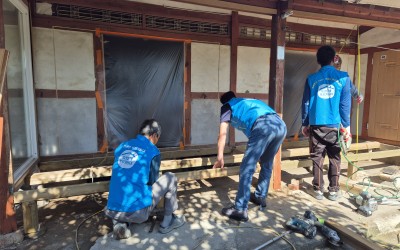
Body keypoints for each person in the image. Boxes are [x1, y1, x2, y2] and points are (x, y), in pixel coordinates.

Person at [104, 119, 185, 239]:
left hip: (112, 209)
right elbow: (152, 182)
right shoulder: (153, 151)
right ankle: (167, 222)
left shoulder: (122, 147)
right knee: (170, 177)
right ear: (153, 135)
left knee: (127, 185)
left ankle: (120, 223)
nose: (157, 141)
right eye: (158, 137)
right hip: (137, 212)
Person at [213, 91, 287, 221]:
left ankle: (240, 209)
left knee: (247, 168)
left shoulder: (227, 107)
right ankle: (260, 196)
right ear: (234, 97)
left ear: (225, 102)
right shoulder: (248, 102)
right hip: (280, 125)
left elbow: (222, 134)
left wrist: (220, 156)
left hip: (263, 126)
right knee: (267, 163)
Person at [301, 46, 352, 201]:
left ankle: (317, 190)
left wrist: (305, 123)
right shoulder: (343, 77)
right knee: (335, 157)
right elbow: (345, 105)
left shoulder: (311, 79)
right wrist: (347, 126)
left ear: (318, 61)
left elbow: (306, 103)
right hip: (335, 126)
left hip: (316, 124)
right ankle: (334, 191)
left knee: (317, 157)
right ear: (333, 59)